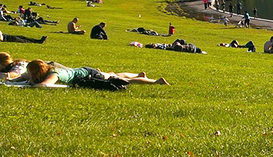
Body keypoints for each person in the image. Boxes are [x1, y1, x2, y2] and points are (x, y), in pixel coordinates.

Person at [25, 59, 169, 86]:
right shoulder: (52, 69)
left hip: (88, 74)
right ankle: (138, 75)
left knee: (119, 80)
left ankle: (155, 82)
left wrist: (31, 83)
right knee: (114, 74)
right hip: (84, 71)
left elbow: (44, 85)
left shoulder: (54, 75)